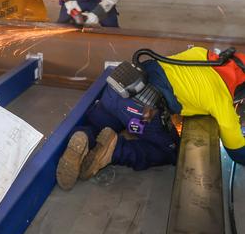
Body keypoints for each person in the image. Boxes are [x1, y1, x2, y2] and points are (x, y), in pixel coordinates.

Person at [56, 46, 245, 190]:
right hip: (143, 110)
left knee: (96, 122)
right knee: (171, 151)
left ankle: (83, 137)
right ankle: (114, 152)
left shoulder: (200, 53)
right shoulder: (221, 98)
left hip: (117, 88)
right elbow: (237, 151)